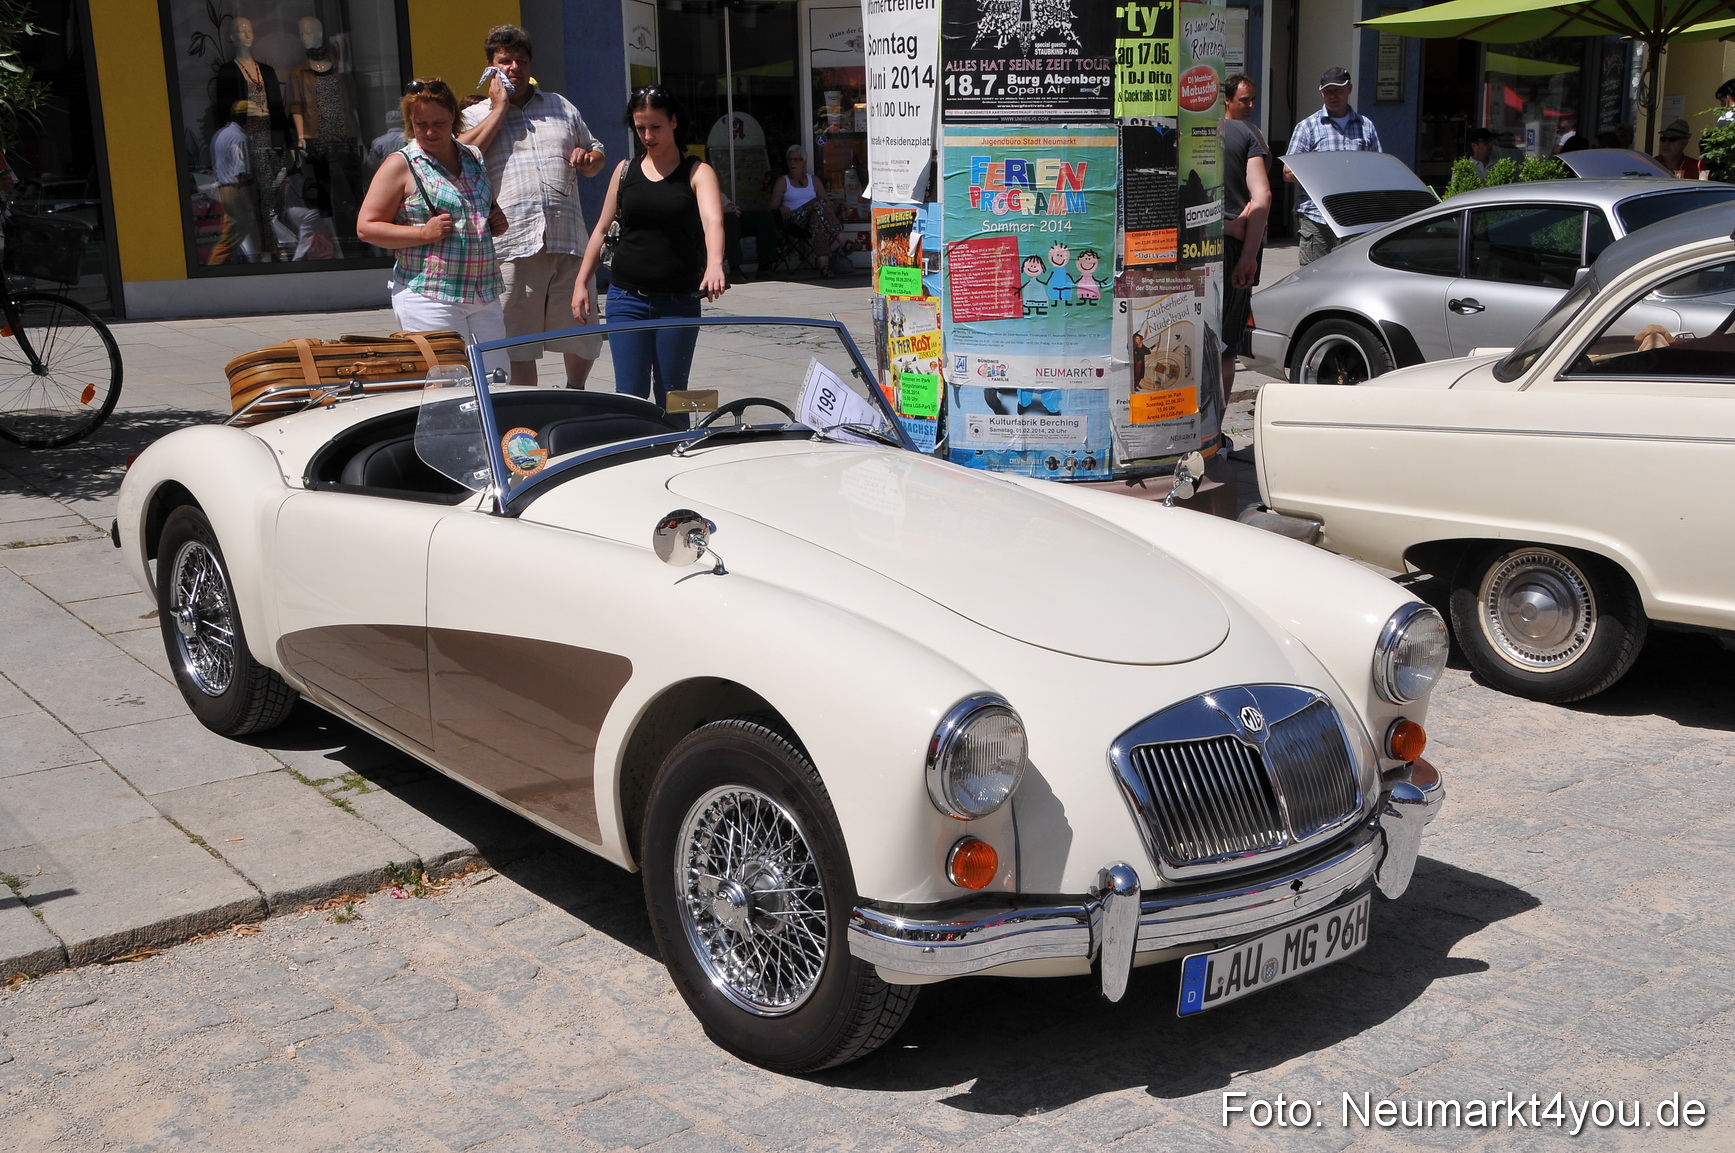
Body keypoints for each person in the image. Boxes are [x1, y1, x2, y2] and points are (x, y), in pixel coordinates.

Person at [459, 24, 607, 390]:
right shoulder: (476, 116)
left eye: (520, 60)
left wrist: (589, 158)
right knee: (516, 344)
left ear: (530, 64)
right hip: (513, 245)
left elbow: (597, 151)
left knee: (583, 335)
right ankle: (527, 416)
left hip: (568, 240)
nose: (513, 68)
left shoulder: (560, 106)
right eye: (504, 61)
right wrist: (498, 107)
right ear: (490, 67)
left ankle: (576, 396)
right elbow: (460, 157)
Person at [572, 87, 727, 408]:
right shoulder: (624, 170)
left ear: (673, 122)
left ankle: (681, 451)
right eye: (640, 127)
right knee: (630, 392)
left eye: (655, 127)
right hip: (626, 298)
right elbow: (601, 228)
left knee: (675, 393)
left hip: (679, 301)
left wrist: (714, 264)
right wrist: (581, 281)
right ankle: (637, 454)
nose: (647, 135)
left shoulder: (698, 172)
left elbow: (713, 222)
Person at [356, 78, 510, 376]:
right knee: (450, 390)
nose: (429, 131)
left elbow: (480, 208)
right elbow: (367, 228)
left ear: (454, 115)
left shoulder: (473, 157)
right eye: (420, 123)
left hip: (483, 292)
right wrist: (422, 233)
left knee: (497, 383)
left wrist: (495, 220)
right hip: (430, 295)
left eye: (438, 122)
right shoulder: (401, 164)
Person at [1283, 67, 1381, 265]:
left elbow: (1377, 168)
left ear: (1349, 89)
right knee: (1313, 280)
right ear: (1321, 93)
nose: (1332, 95)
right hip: (1317, 217)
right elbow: (1287, 172)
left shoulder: (1366, 126)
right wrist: (1325, 172)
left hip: (1354, 217)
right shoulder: (1307, 127)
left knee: (1352, 278)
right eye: (1328, 91)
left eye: (1338, 90)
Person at [1220, 73, 1271, 395]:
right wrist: (1249, 256)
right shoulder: (1248, 135)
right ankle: (1215, 434)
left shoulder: (1180, 133)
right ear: (1225, 100)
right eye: (1244, 100)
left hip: (1191, 246)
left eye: (1254, 99)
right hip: (1236, 247)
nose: (1250, 105)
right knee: (1226, 345)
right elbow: (1262, 197)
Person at [769, 146, 849, 276]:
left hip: (811, 222)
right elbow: (772, 207)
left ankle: (824, 266)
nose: (793, 163)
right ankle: (843, 240)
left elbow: (827, 207)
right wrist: (780, 208)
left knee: (817, 220)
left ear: (804, 162)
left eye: (797, 159)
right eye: (790, 160)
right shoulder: (783, 182)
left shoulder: (814, 180)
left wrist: (839, 205)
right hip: (794, 221)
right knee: (820, 202)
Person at [208, 100, 261, 265]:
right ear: (246, 118)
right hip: (235, 190)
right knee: (235, 231)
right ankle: (215, 265)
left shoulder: (220, 134)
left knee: (231, 231)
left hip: (224, 190)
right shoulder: (239, 138)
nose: (255, 122)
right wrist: (248, 203)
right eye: (253, 118)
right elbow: (241, 175)